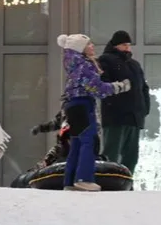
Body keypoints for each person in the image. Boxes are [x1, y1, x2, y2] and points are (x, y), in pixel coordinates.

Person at [58, 33, 131, 191]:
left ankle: (70, 181)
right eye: (89, 44)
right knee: (89, 141)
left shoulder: (74, 64)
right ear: (81, 48)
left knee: (77, 142)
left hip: (72, 105)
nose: (92, 46)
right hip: (83, 104)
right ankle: (84, 178)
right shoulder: (84, 65)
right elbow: (96, 88)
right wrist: (118, 86)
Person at [97, 30, 150, 174]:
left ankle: (126, 181)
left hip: (134, 116)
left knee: (131, 156)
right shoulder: (105, 61)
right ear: (115, 45)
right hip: (116, 116)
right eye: (123, 44)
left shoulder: (134, 64)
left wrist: (144, 108)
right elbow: (103, 85)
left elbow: (143, 87)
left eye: (128, 44)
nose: (127, 47)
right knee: (112, 152)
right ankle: (108, 180)